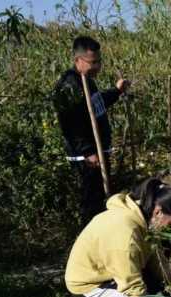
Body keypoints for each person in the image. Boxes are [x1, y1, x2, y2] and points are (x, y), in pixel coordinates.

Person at [65, 178, 171, 297]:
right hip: (88, 283)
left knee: (159, 290)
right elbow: (133, 289)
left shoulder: (143, 216)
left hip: (109, 269)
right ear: (158, 211)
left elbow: (157, 260)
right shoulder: (126, 235)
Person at [53, 35, 131, 224]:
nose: (97, 66)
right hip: (86, 158)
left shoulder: (86, 80)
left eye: (99, 61)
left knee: (100, 200)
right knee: (91, 202)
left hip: (96, 153)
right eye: (93, 62)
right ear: (77, 60)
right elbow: (69, 124)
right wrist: (88, 151)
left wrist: (117, 91)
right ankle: (89, 242)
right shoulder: (69, 86)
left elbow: (97, 104)